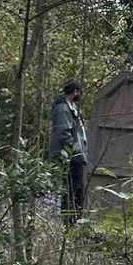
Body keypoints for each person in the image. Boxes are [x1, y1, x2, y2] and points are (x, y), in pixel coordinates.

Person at [50, 81, 89, 220]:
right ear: (75, 92)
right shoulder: (63, 108)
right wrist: (76, 151)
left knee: (77, 188)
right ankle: (68, 219)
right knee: (71, 188)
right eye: (80, 93)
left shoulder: (71, 107)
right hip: (69, 155)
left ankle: (74, 218)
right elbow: (63, 133)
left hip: (75, 155)